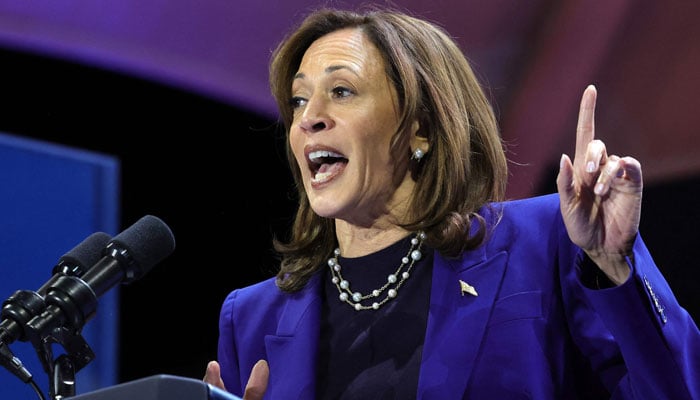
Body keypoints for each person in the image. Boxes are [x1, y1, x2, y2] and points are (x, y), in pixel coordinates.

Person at [203, 6, 700, 399]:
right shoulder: (253, 318)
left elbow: (675, 389)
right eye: (297, 100)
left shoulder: (547, 241)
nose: (309, 117)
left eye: (341, 90)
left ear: (420, 126)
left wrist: (613, 267)